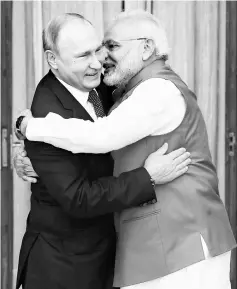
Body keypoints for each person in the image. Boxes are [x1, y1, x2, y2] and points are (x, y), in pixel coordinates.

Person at [16, 10, 236, 289]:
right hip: (66, 263)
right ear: (53, 60)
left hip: (181, 243)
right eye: (88, 54)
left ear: (146, 48)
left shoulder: (153, 90)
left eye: (109, 47)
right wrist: (26, 143)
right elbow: (80, 189)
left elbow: (102, 135)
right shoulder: (106, 90)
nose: (100, 60)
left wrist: (29, 126)